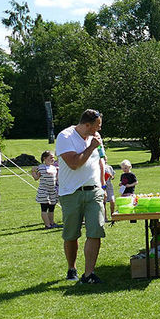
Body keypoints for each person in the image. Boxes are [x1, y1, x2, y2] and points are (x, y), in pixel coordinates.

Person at [56, 109, 106, 284]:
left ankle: (89, 274)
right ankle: (72, 268)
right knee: (71, 234)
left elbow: (101, 161)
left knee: (96, 231)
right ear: (86, 125)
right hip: (71, 192)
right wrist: (91, 146)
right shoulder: (65, 137)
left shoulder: (96, 138)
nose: (98, 130)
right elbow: (74, 164)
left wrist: (103, 185)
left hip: (94, 191)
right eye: (96, 126)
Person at [31, 150, 59, 228]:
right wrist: (33, 171)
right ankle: (47, 225)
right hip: (43, 191)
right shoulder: (41, 168)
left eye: (53, 158)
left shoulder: (54, 168)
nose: (53, 159)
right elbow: (36, 178)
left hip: (52, 191)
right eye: (51, 158)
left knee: (52, 208)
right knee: (44, 208)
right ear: (45, 158)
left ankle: (52, 222)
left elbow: (56, 179)